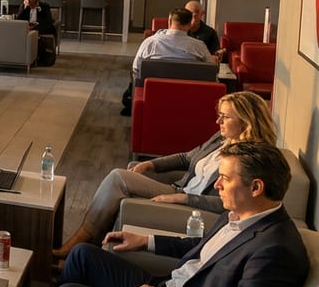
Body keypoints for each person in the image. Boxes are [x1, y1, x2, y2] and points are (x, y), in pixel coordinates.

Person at [20, 141, 308, 287]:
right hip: (169, 286)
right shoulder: (242, 212)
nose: (217, 184)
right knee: (83, 255)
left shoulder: (276, 250)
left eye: (226, 178)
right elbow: (202, 247)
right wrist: (146, 241)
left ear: (256, 187)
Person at [54, 91, 276, 257]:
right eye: (219, 115)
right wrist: (150, 165)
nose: (218, 122)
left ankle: (80, 242)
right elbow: (186, 158)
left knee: (117, 177)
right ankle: (86, 244)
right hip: (180, 188)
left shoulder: (250, 160)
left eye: (225, 117)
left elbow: (229, 204)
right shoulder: (221, 139)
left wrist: (183, 198)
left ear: (246, 120)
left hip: (193, 206)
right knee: (121, 178)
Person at [131, 7, 214, 82]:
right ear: (189, 25)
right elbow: (211, 69)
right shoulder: (199, 46)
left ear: (169, 21)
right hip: (188, 94)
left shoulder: (150, 42)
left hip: (154, 93)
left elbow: (136, 69)